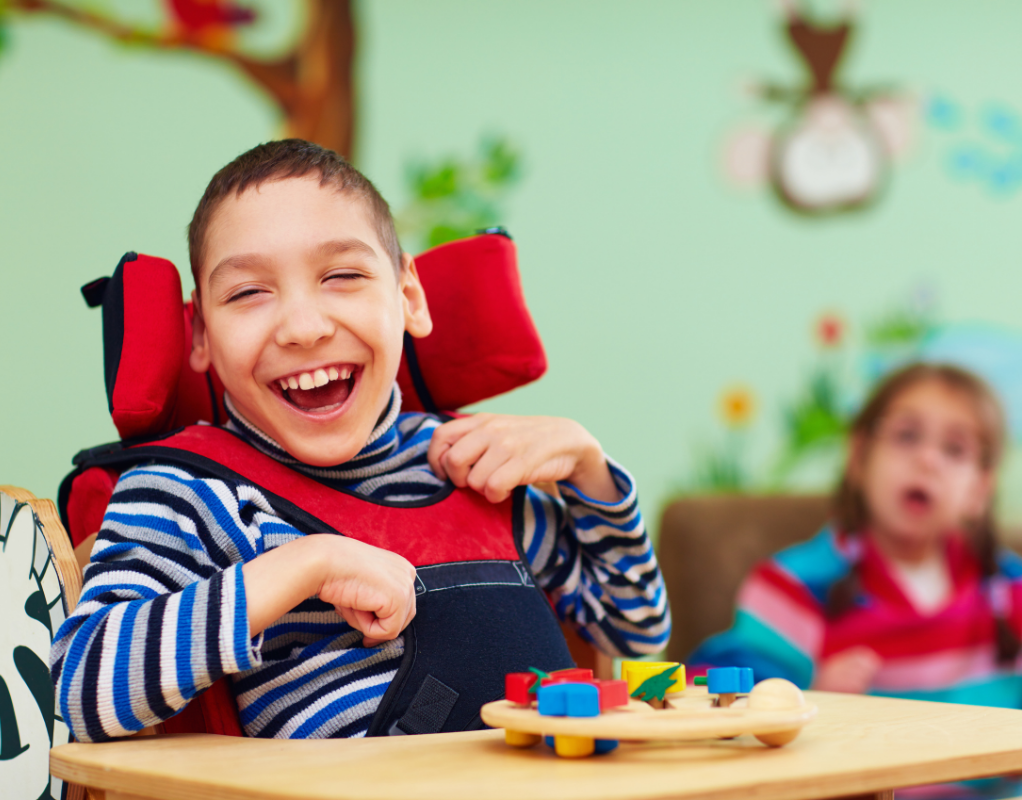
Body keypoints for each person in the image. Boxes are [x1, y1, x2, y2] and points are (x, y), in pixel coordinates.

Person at [49, 139, 669, 742]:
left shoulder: (471, 465)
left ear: (408, 297)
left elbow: (635, 633)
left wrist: (591, 470)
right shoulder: (190, 490)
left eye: (342, 275)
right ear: (201, 338)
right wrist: (301, 566)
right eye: (248, 292)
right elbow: (74, 690)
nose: (304, 327)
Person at [690, 363, 1022, 707]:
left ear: (980, 491)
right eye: (907, 435)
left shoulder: (1010, 593)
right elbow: (710, 695)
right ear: (859, 456)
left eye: (954, 449)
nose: (927, 460)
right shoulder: (793, 587)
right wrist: (812, 696)